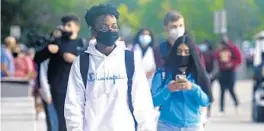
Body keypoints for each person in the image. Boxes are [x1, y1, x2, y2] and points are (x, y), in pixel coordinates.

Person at [64, 4, 155, 131]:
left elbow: (142, 102)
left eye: (114, 26)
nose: (111, 30)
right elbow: (73, 105)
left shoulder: (130, 60)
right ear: (94, 31)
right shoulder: (82, 63)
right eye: (104, 27)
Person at [34, 15, 83, 131]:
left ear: (77, 28)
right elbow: (37, 59)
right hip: (58, 88)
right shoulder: (57, 42)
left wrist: (75, 59)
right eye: (64, 25)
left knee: (77, 120)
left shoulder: (83, 44)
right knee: (61, 121)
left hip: (77, 89)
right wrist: (48, 50)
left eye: (69, 25)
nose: (66, 28)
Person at [151, 36, 211, 131]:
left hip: (192, 125)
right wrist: (168, 89)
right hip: (167, 125)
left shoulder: (198, 74)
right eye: (179, 51)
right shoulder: (163, 73)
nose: (183, 55)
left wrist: (193, 88)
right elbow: (153, 102)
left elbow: (205, 101)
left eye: (187, 52)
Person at [214, 34, 242, 115]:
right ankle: (222, 109)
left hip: (231, 71)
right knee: (222, 90)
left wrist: (232, 64)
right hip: (222, 72)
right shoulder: (219, 50)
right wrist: (218, 50)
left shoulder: (233, 48)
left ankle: (237, 104)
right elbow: (215, 58)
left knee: (231, 89)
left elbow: (239, 59)